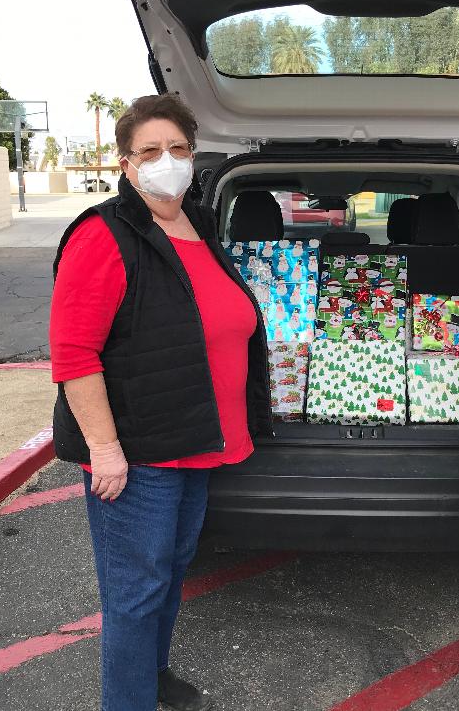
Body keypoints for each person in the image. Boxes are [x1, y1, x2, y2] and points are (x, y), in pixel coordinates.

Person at [49, 94, 273, 711]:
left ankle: (151, 678)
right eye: (149, 152)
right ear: (126, 165)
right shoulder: (103, 235)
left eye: (177, 149)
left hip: (195, 441)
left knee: (168, 577)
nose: (165, 161)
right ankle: (129, 699)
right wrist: (104, 449)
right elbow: (74, 356)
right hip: (140, 454)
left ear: (193, 157)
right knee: (135, 590)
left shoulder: (195, 226)